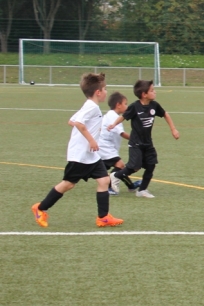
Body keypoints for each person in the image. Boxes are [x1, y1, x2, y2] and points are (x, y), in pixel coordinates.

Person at [31, 73, 124, 228]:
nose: (106, 92)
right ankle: (40, 208)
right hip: (80, 155)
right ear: (98, 92)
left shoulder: (89, 105)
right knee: (68, 184)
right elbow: (79, 123)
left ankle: (103, 217)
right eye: (105, 89)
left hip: (91, 155)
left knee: (104, 180)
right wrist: (91, 140)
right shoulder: (92, 107)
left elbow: (71, 121)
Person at [109, 79, 180, 198]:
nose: (155, 92)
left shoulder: (154, 105)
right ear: (144, 94)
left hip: (148, 143)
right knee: (134, 166)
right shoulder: (134, 107)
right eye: (152, 90)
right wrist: (113, 124)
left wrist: (173, 129)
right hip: (135, 143)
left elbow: (165, 114)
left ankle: (142, 190)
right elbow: (123, 117)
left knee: (151, 165)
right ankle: (116, 175)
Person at [99, 91, 133, 195]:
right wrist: (136, 140)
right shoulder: (113, 117)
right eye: (125, 104)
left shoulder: (111, 115)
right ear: (118, 105)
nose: (127, 106)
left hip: (106, 147)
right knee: (120, 165)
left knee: (103, 170)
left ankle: (131, 186)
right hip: (105, 147)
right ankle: (110, 188)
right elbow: (122, 133)